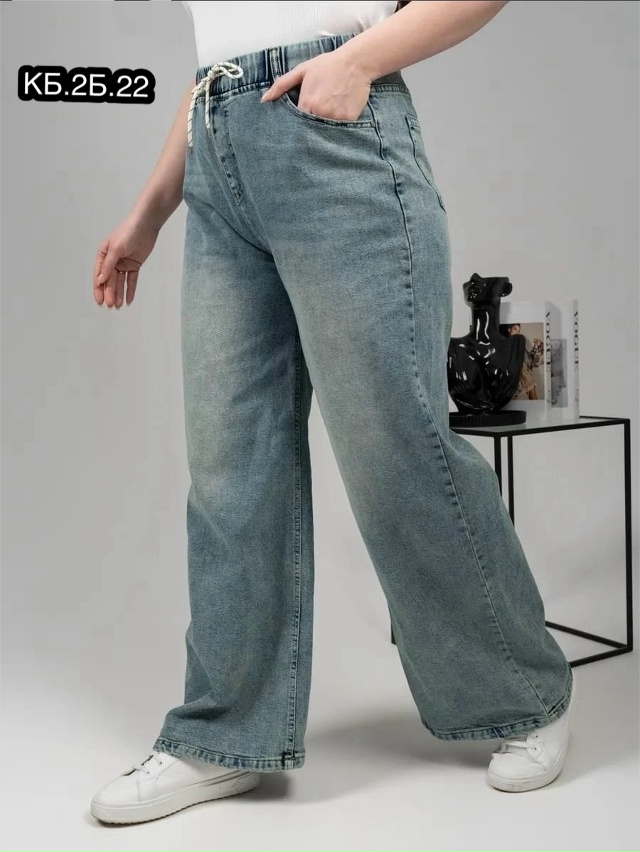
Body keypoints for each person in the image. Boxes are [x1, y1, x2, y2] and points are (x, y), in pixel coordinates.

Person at [90, 0, 576, 826]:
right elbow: (222, 54)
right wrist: (151, 208)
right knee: (229, 466)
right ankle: (227, 735)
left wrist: (359, 62)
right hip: (217, 153)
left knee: (396, 449)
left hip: (336, 142)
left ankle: (525, 694)